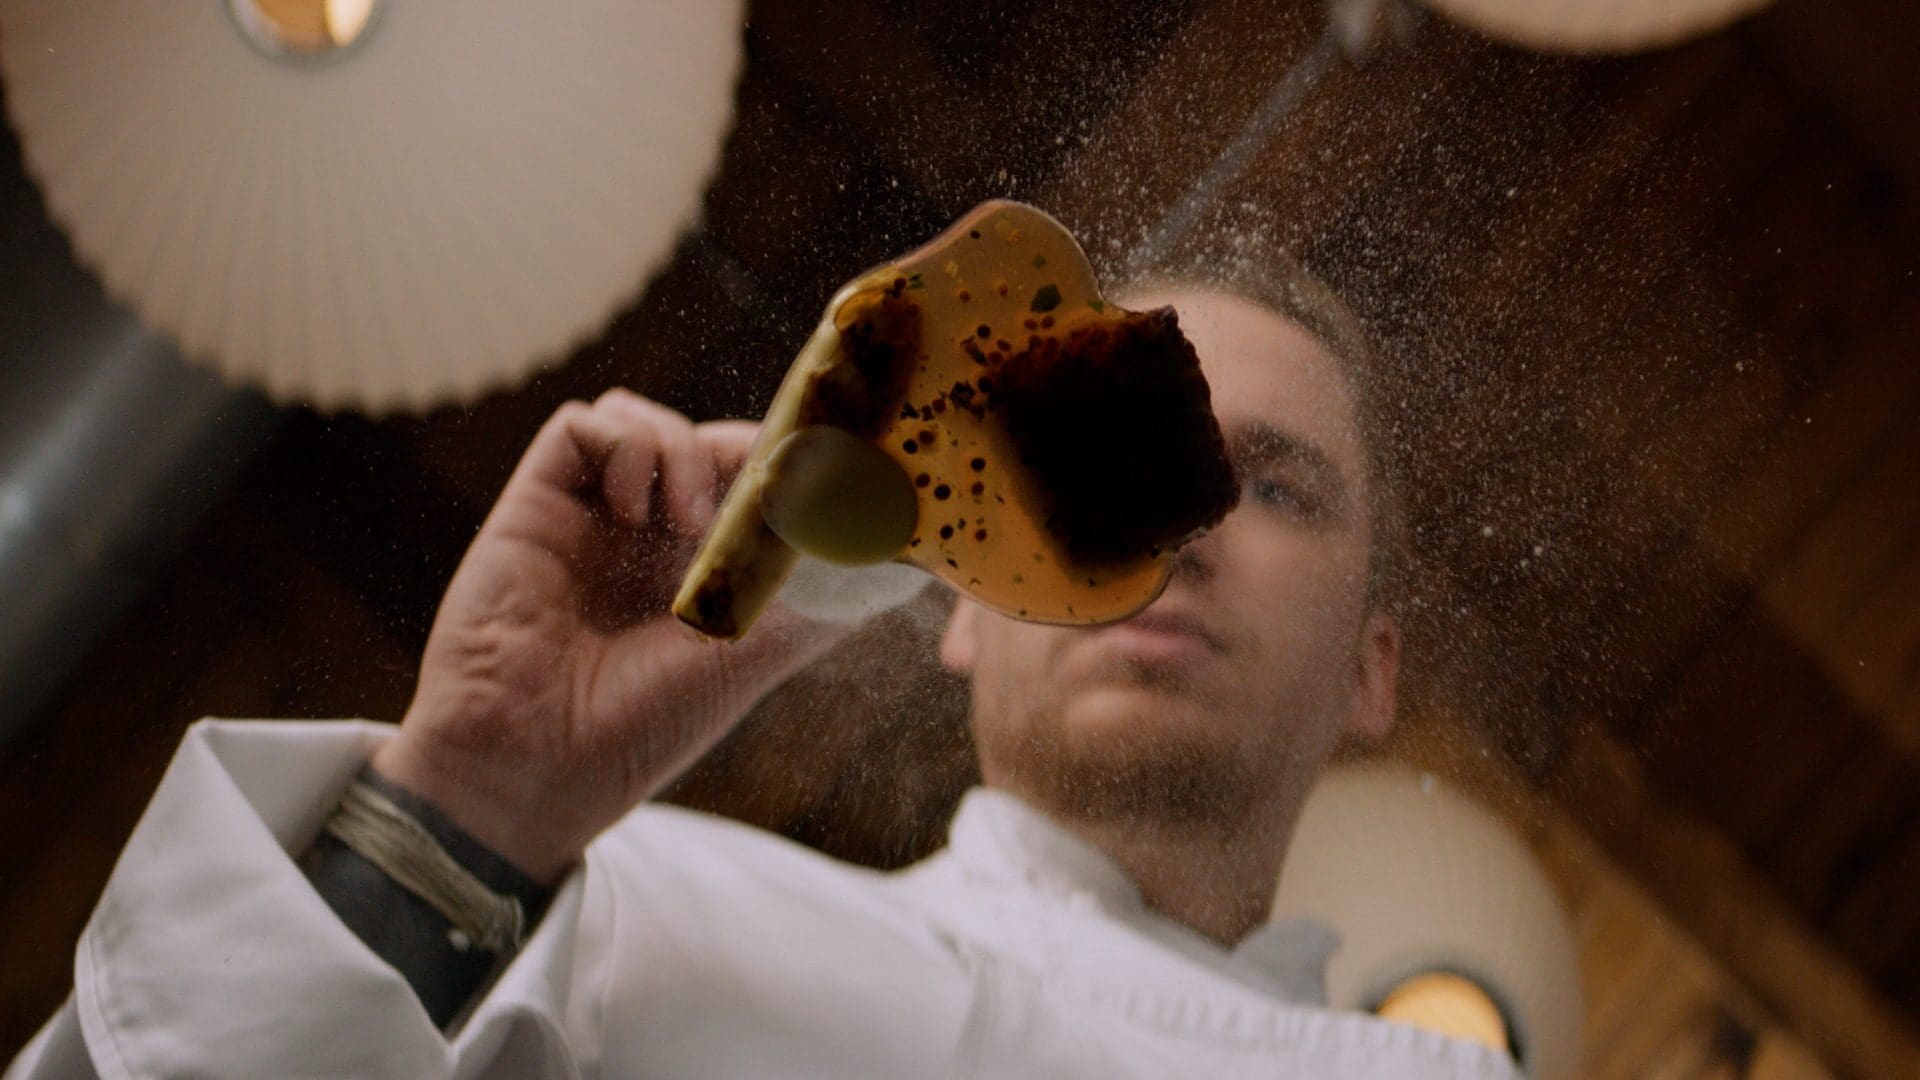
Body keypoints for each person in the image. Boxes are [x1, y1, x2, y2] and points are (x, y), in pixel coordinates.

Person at [6, 265, 1519, 1079]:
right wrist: (469, 796)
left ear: (1373, 674)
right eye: (1110, 465)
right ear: (968, 606)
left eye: (1280, 489)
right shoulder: (624, 915)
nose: (1183, 527)